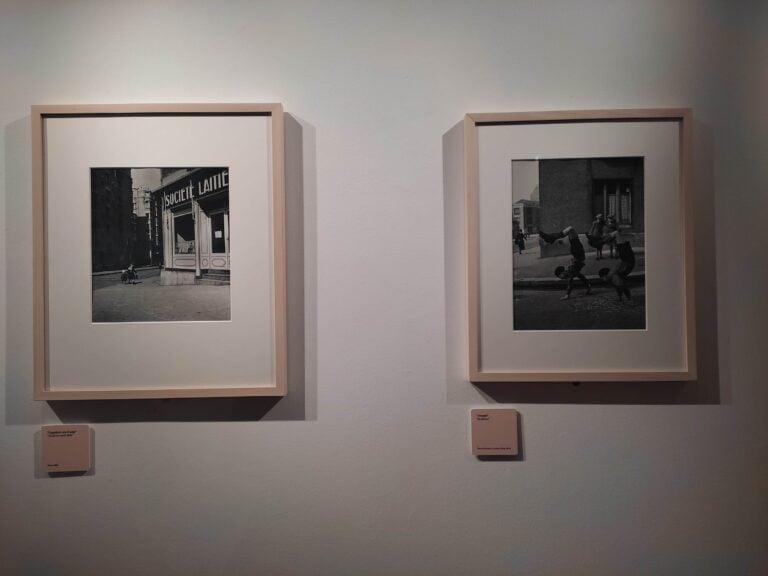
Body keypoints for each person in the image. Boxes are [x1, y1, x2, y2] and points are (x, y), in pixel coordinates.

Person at [540, 226, 592, 300]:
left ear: (562, 273)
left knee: (570, 230)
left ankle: (551, 238)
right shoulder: (571, 271)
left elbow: (575, 279)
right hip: (578, 254)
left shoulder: (571, 271)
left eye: (561, 277)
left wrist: (568, 294)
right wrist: (588, 286)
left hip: (578, 254)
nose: (563, 278)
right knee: (570, 230)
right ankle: (551, 238)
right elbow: (577, 278)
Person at [598, 230, 636, 301]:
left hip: (627, 260)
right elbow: (622, 287)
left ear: (605, 275)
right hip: (627, 260)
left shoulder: (612, 276)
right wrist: (627, 298)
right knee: (617, 235)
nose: (603, 280)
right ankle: (601, 242)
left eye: (602, 278)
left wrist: (621, 298)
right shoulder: (613, 276)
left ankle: (602, 242)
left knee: (619, 237)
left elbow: (621, 287)